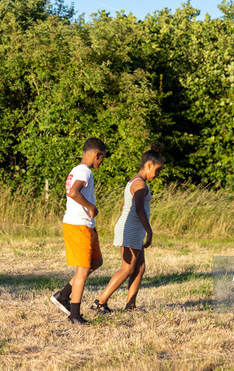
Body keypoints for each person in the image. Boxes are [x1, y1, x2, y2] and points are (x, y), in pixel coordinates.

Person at [93, 143, 164, 313]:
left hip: (134, 228)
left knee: (139, 268)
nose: (158, 174)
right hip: (131, 228)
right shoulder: (139, 184)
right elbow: (138, 208)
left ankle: (130, 306)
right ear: (148, 165)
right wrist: (149, 231)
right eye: (157, 170)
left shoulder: (137, 182)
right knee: (128, 268)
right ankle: (100, 302)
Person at [50, 138, 107, 324]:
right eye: (102, 158)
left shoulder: (78, 170)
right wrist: (91, 207)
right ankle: (74, 315)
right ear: (97, 154)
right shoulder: (84, 171)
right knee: (82, 271)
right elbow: (73, 192)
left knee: (96, 262)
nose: (102, 162)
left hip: (86, 225)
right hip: (78, 225)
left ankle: (63, 295)